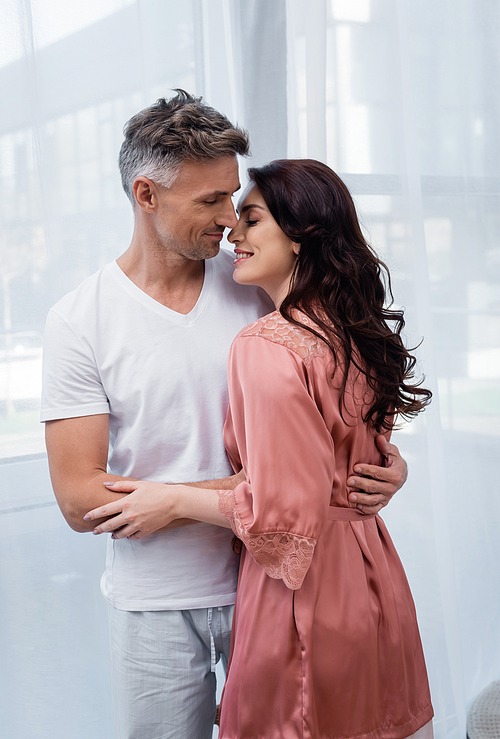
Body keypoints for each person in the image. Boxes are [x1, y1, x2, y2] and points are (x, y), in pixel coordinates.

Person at [42, 92, 409, 739]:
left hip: (274, 585)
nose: (227, 222)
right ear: (146, 194)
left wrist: (382, 462)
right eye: (209, 201)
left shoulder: (253, 286)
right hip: (154, 603)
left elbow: (331, 413)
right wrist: (273, 487)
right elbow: (79, 499)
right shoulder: (80, 320)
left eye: (234, 197)